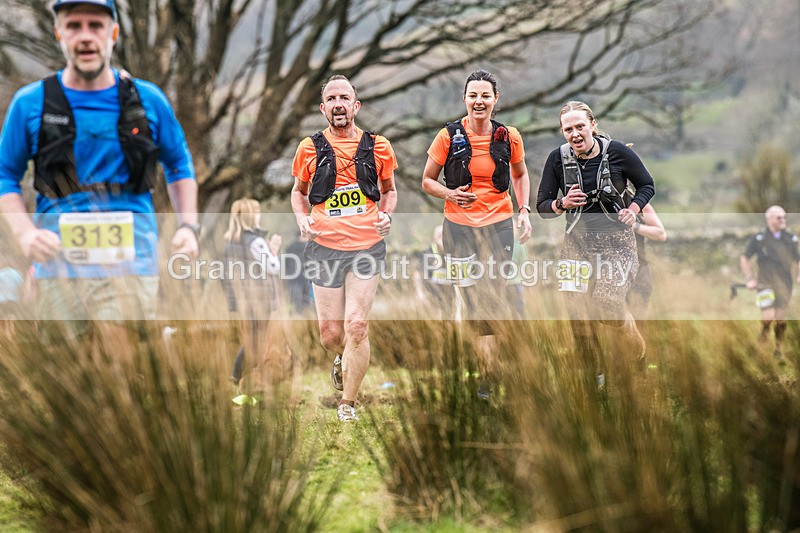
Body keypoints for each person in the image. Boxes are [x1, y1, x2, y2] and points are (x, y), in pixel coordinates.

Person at [0, 0, 198, 353]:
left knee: (119, 369)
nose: (86, 36)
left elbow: (179, 165)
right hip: (56, 267)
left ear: (114, 33)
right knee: (70, 380)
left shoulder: (148, 100)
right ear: (59, 33)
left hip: (131, 262)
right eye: (74, 26)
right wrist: (25, 233)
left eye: (96, 25)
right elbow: (5, 177)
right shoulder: (30, 103)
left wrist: (188, 226)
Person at [290, 74, 397, 422]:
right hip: (323, 247)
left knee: (356, 325)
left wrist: (386, 215)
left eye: (344, 98)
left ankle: (347, 403)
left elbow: (390, 189)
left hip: (367, 246)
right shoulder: (309, 148)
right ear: (323, 108)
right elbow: (298, 192)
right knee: (331, 334)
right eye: (332, 99)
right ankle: (341, 357)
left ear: (356, 105)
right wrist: (302, 219)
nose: (338, 104)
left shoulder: (378, 146)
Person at [421, 69, 532, 394]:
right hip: (458, 228)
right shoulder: (448, 136)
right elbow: (426, 180)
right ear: (465, 99)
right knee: (470, 299)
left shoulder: (508, 136)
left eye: (485, 95)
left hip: (498, 224)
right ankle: (484, 369)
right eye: (473, 95)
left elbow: (520, 175)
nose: (479, 101)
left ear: (496, 100)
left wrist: (523, 211)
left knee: (495, 295)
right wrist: (450, 194)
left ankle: (491, 374)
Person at [536, 100, 655, 380]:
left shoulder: (618, 153)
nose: (575, 134)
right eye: (568, 129)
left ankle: (638, 358)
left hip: (617, 242)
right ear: (562, 132)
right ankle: (594, 374)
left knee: (607, 305)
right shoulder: (557, 158)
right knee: (576, 309)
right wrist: (562, 203)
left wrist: (633, 209)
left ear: (592, 124)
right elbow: (542, 206)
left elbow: (647, 184)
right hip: (576, 243)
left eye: (580, 126)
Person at [222, 199, 280, 388]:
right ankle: (240, 377)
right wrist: (275, 249)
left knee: (251, 338)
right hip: (259, 298)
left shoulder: (229, 241)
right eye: (256, 211)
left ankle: (241, 378)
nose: (259, 214)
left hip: (241, 299)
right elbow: (273, 267)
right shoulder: (255, 241)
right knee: (256, 341)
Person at [739, 205, 800, 360]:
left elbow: (798, 259)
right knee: (768, 315)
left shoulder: (790, 238)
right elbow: (744, 258)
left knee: (780, 318)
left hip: (785, 284)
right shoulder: (759, 238)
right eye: (779, 217)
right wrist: (749, 279)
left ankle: (778, 350)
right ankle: (763, 337)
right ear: (769, 219)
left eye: (784, 217)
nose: (783, 220)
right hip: (764, 283)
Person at [624, 203, 667, 319]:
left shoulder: (638, 203)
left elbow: (661, 234)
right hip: (605, 270)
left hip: (639, 271)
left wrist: (633, 225)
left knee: (638, 319)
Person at [413, 224, 455, 318]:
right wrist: (420, 293)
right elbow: (418, 273)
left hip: (451, 296)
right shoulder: (427, 254)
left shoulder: (455, 252)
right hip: (433, 296)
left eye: (445, 236)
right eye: (440, 237)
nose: (443, 240)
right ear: (435, 239)